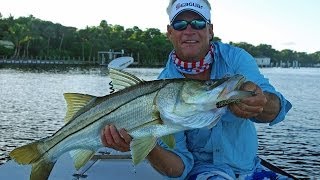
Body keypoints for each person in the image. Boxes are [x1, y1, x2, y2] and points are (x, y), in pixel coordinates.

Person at [101, 0, 292, 179]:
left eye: (199, 23)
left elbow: (277, 110)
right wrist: (142, 143)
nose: (189, 30)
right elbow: (178, 169)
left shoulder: (235, 59)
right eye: (180, 24)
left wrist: (261, 101)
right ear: (169, 32)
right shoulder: (162, 92)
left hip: (249, 168)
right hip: (201, 173)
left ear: (210, 30)